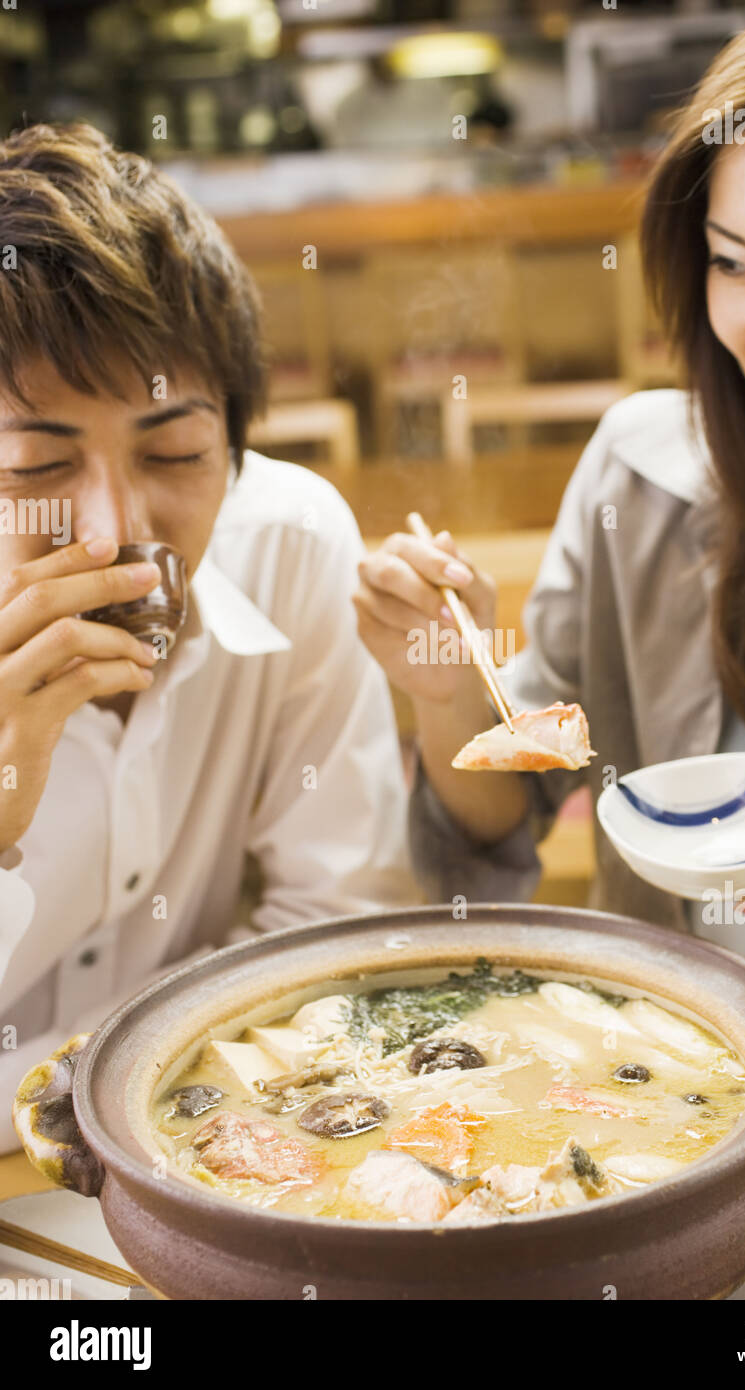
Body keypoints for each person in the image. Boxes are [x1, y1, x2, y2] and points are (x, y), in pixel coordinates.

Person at [354, 0, 745, 1037]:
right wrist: (446, 697)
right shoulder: (643, 482)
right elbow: (495, 828)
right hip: (682, 1126)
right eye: (733, 263)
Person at [0, 123, 416, 1151]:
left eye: (176, 449)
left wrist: (132, 1093)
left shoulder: (287, 544)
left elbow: (338, 924)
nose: (115, 531)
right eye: (38, 468)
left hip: (205, 1140)